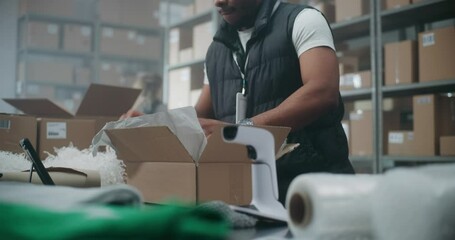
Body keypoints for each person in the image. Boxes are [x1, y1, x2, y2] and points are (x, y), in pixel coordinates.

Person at [195, 0, 355, 204]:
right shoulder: (215, 51)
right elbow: (201, 117)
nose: (218, 2)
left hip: (314, 192)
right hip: (249, 197)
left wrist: (243, 131)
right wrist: (158, 125)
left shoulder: (302, 20)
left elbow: (322, 92)